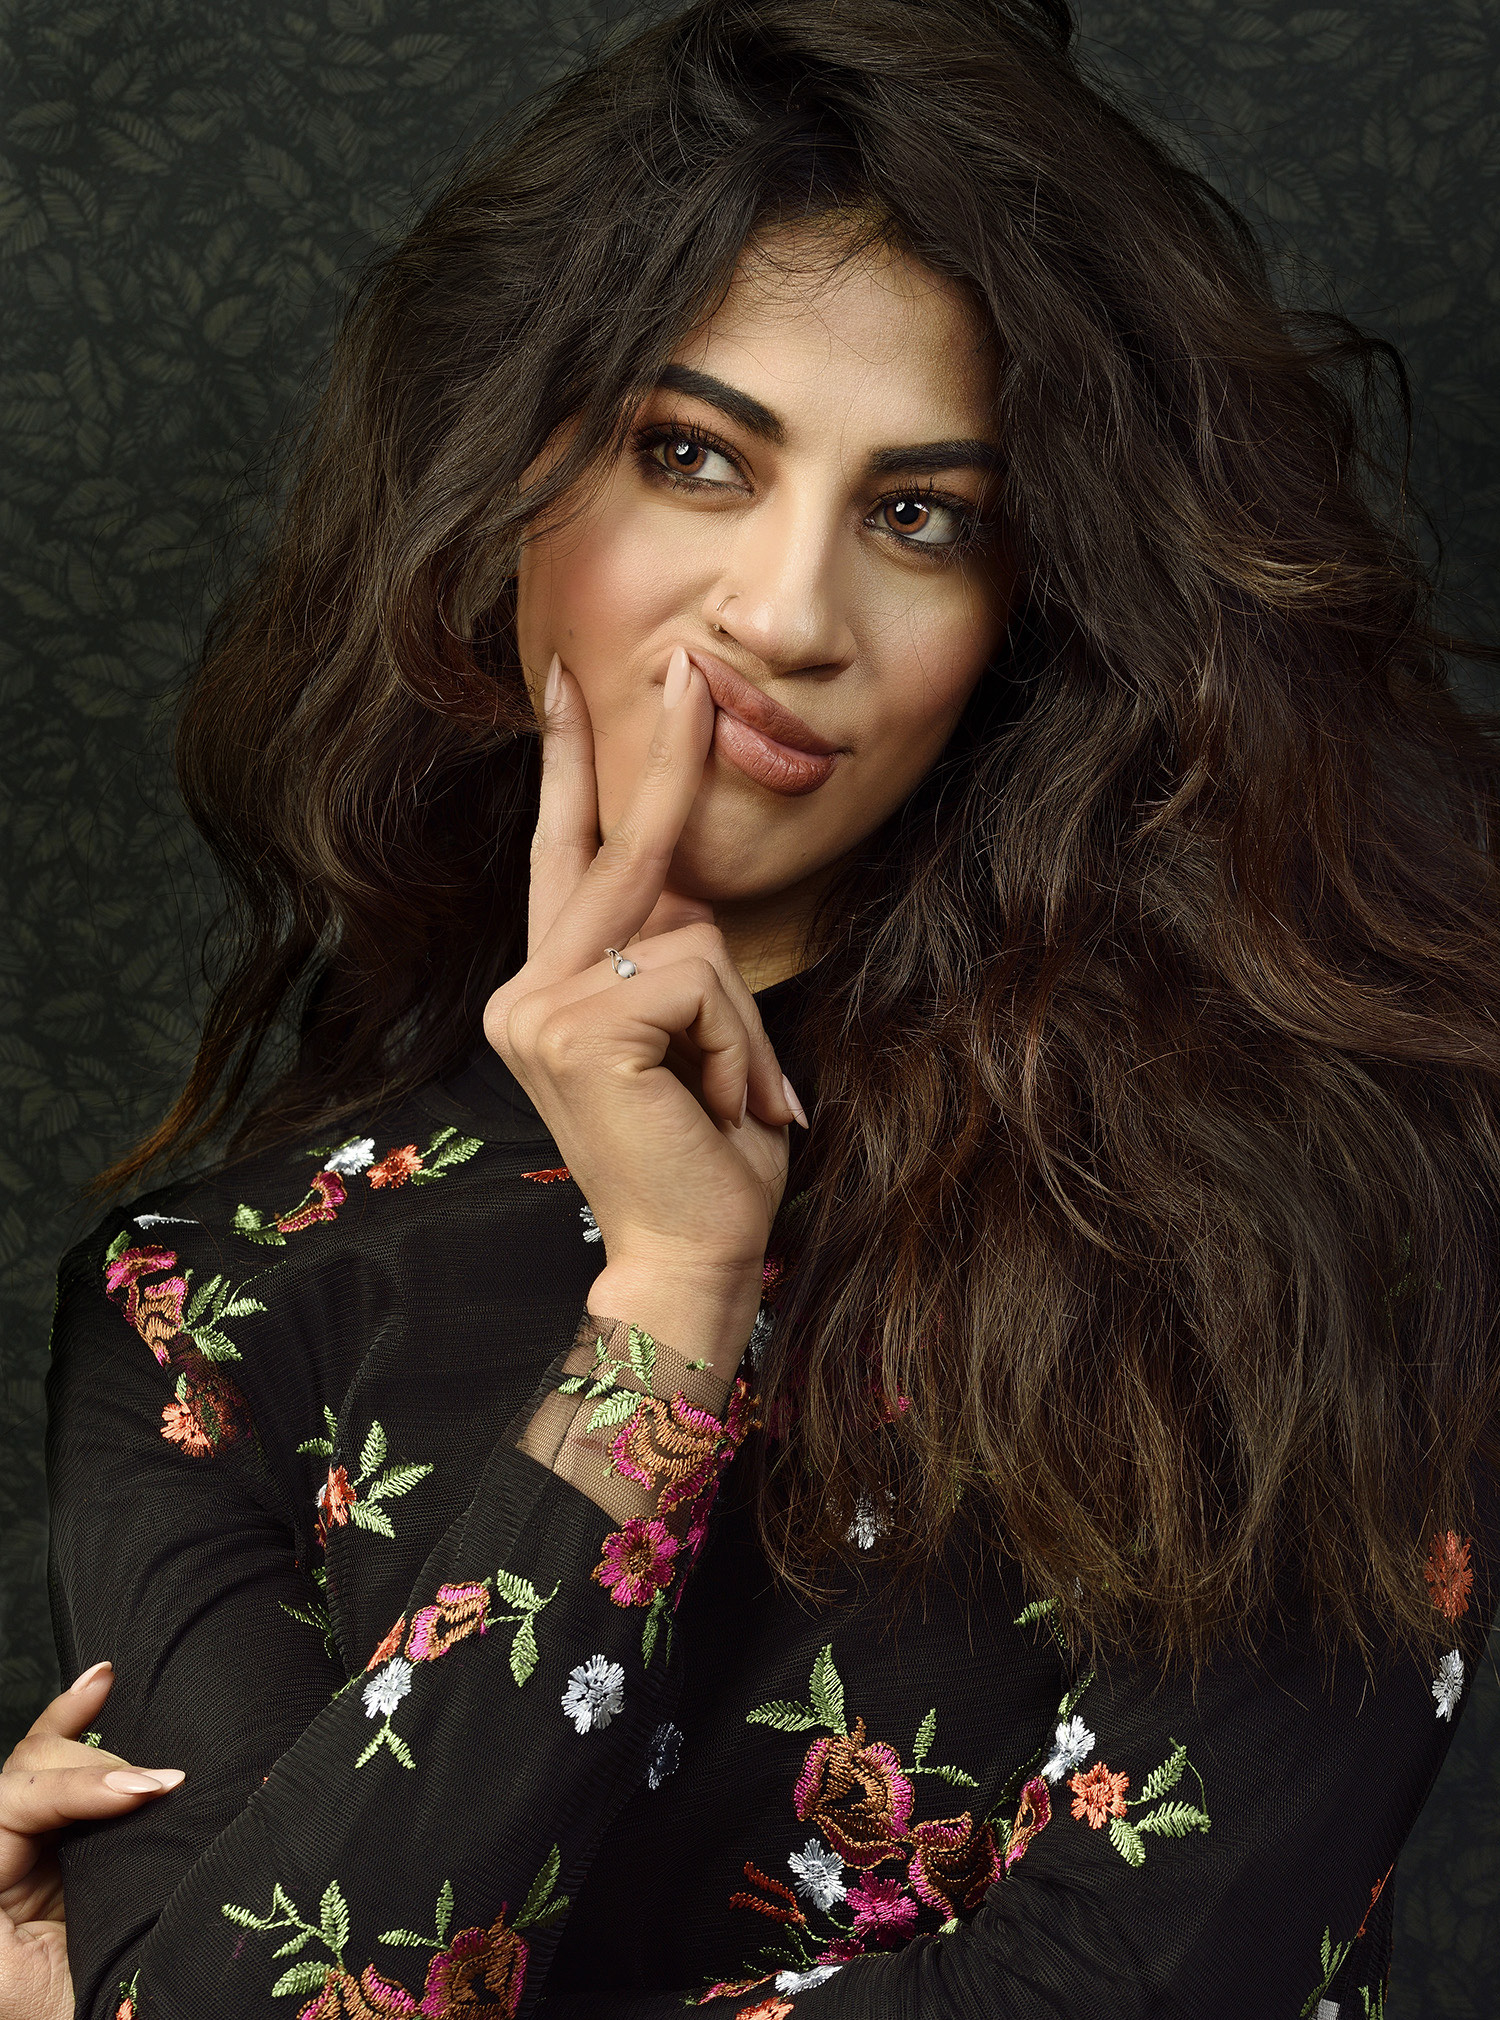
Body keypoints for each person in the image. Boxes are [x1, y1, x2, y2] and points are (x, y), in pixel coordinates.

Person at [31, 0, 1500, 2013]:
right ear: (508, 478)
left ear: (1025, 604)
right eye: (695, 455)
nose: (792, 614)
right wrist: (669, 1298)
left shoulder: (1288, 1199)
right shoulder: (201, 1307)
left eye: (922, 514)